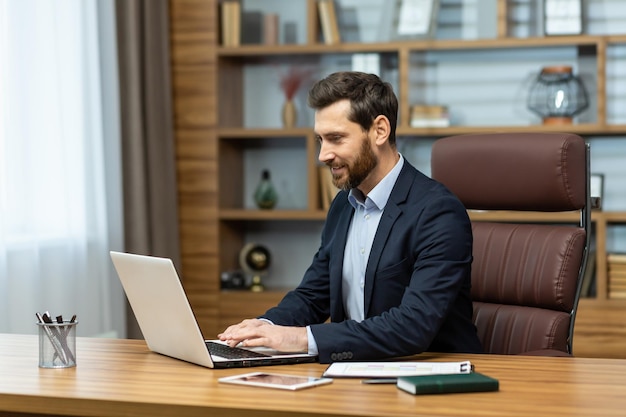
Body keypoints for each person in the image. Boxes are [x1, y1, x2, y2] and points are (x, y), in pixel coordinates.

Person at [218, 71, 482, 363]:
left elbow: (413, 326)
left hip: (434, 381)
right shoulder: (344, 204)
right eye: (320, 139)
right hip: (356, 374)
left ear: (380, 131)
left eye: (335, 139)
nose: (323, 155)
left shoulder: (438, 212)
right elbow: (313, 295)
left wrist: (300, 338)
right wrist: (263, 328)